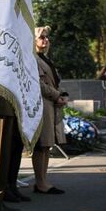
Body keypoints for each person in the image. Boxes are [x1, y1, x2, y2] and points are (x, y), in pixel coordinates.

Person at [32, 26, 67, 194]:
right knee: (41, 145)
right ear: (33, 40)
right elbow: (38, 84)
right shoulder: (32, 58)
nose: (45, 40)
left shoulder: (44, 58)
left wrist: (62, 95)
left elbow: (54, 82)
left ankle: (43, 180)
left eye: (47, 37)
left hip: (50, 104)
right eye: (41, 37)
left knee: (47, 145)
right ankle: (40, 183)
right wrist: (56, 96)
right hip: (42, 104)